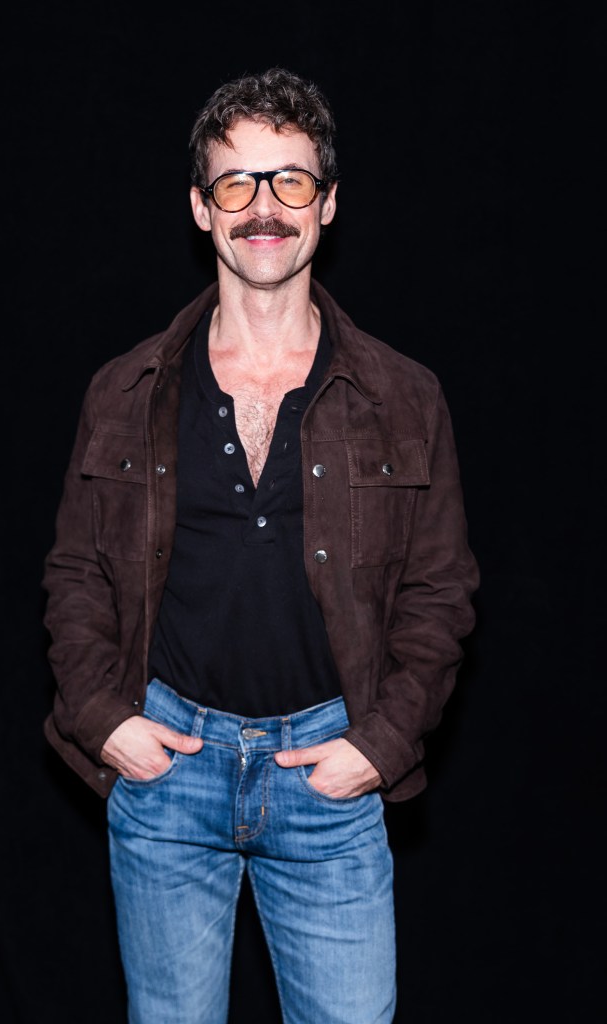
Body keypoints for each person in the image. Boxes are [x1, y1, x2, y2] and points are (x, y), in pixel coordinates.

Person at [43, 67, 478, 1024]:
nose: (263, 209)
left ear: (327, 203)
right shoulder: (126, 389)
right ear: (201, 208)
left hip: (327, 780)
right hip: (167, 779)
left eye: (289, 180)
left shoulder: (403, 395)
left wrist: (380, 745)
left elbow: (441, 593)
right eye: (236, 184)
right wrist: (102, 717)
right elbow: (75, 572)